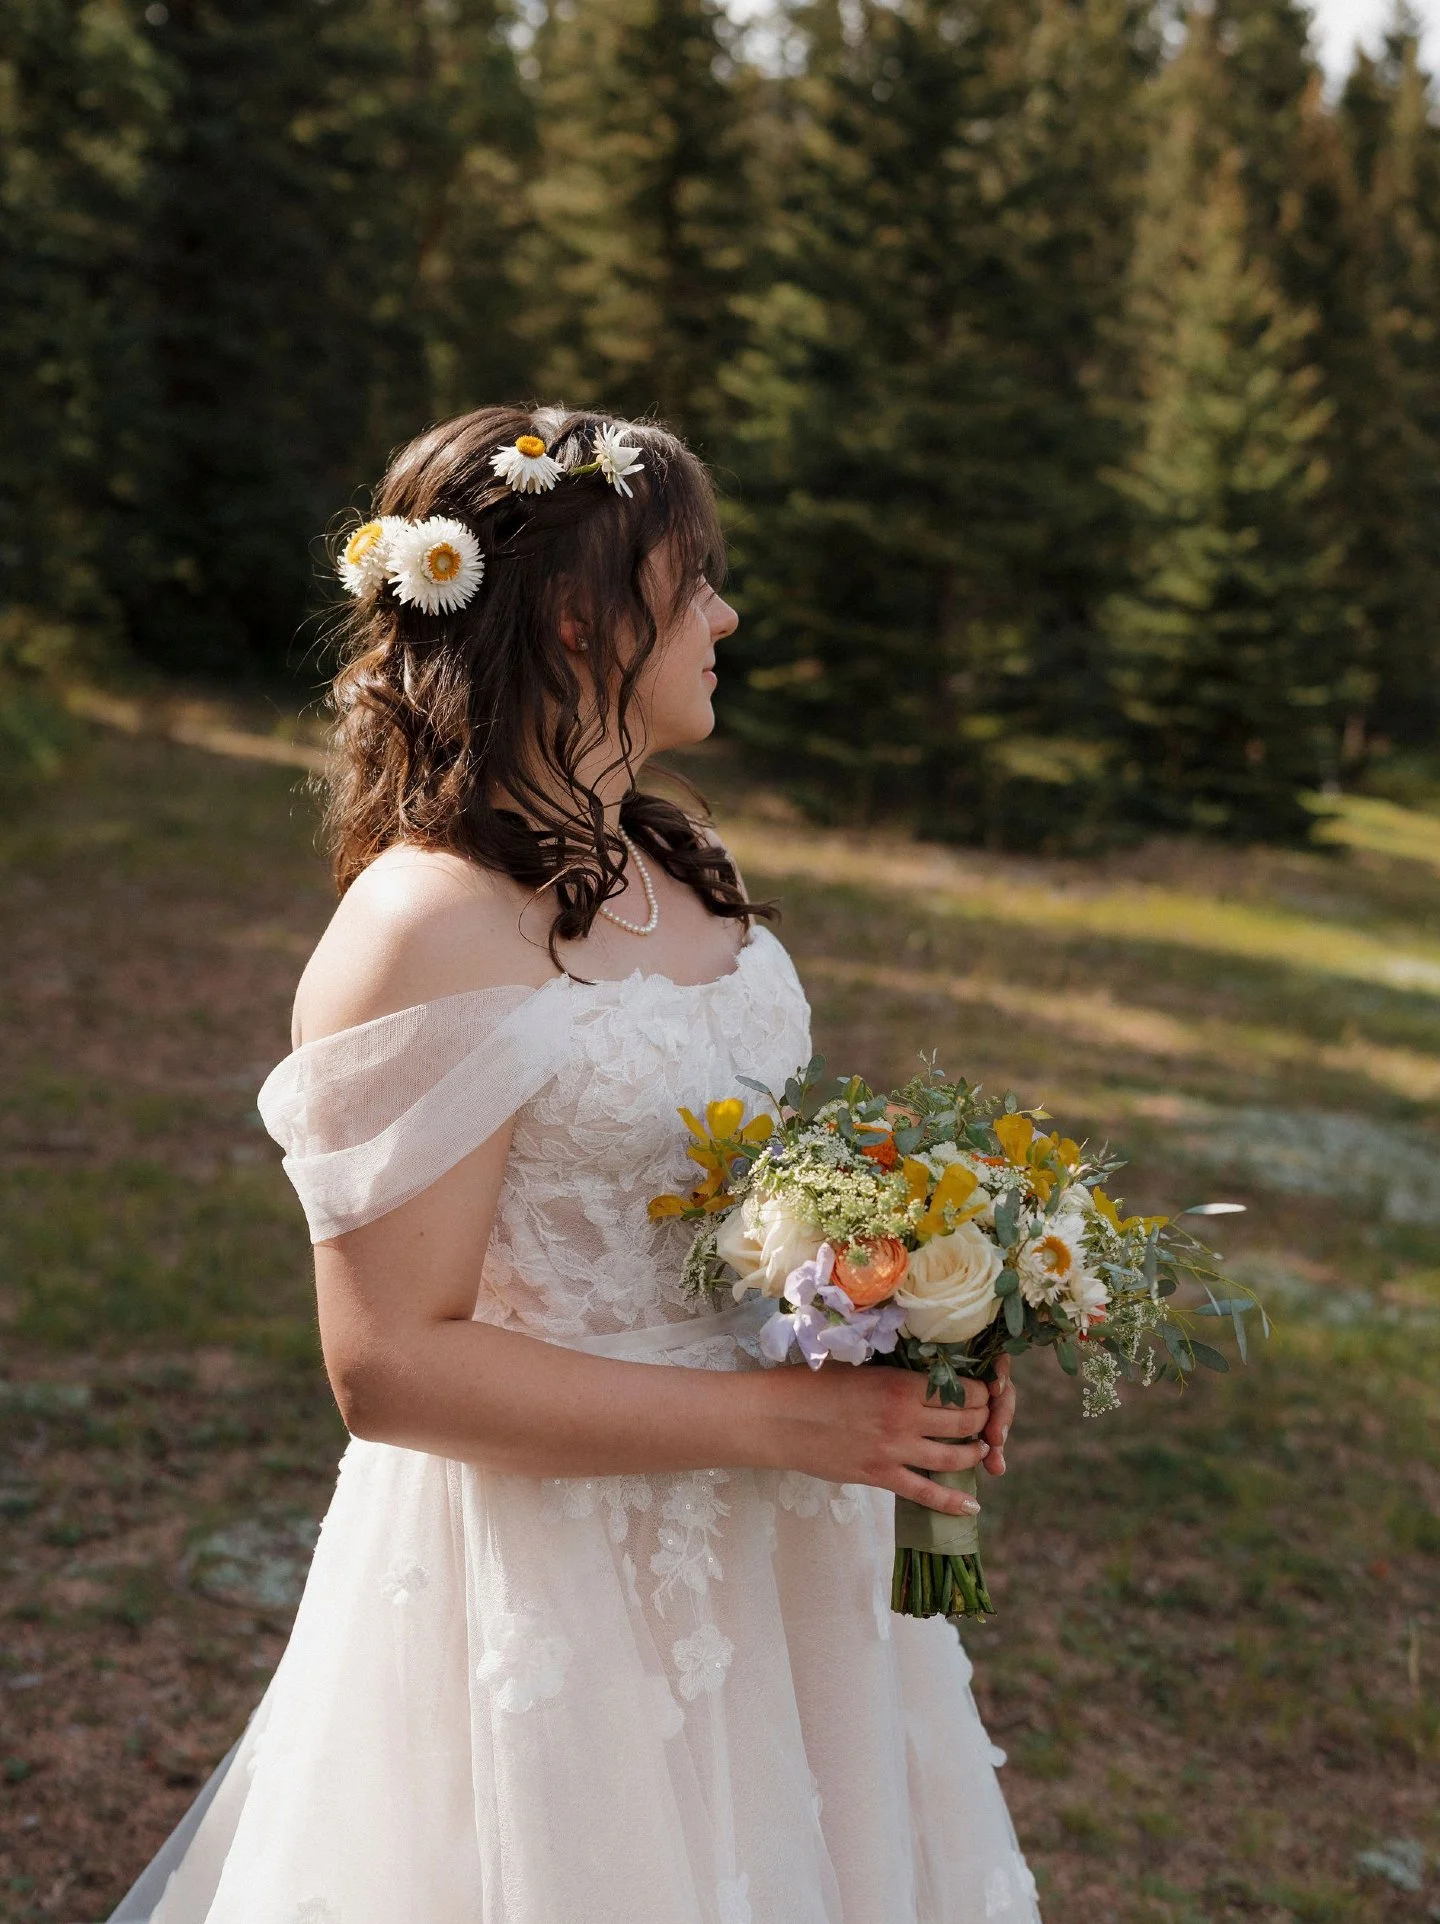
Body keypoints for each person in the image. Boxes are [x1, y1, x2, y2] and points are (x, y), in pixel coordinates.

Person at [107, 405, 1040, 1924]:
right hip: (559, 1571)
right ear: (580, 611)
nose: (728, 615)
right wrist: (777, 1422)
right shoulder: (426, 929)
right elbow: (389, 1368)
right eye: (700, 580)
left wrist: (906, 1330)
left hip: (787, 1543)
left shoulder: (678, 867)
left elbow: (728, 1214)